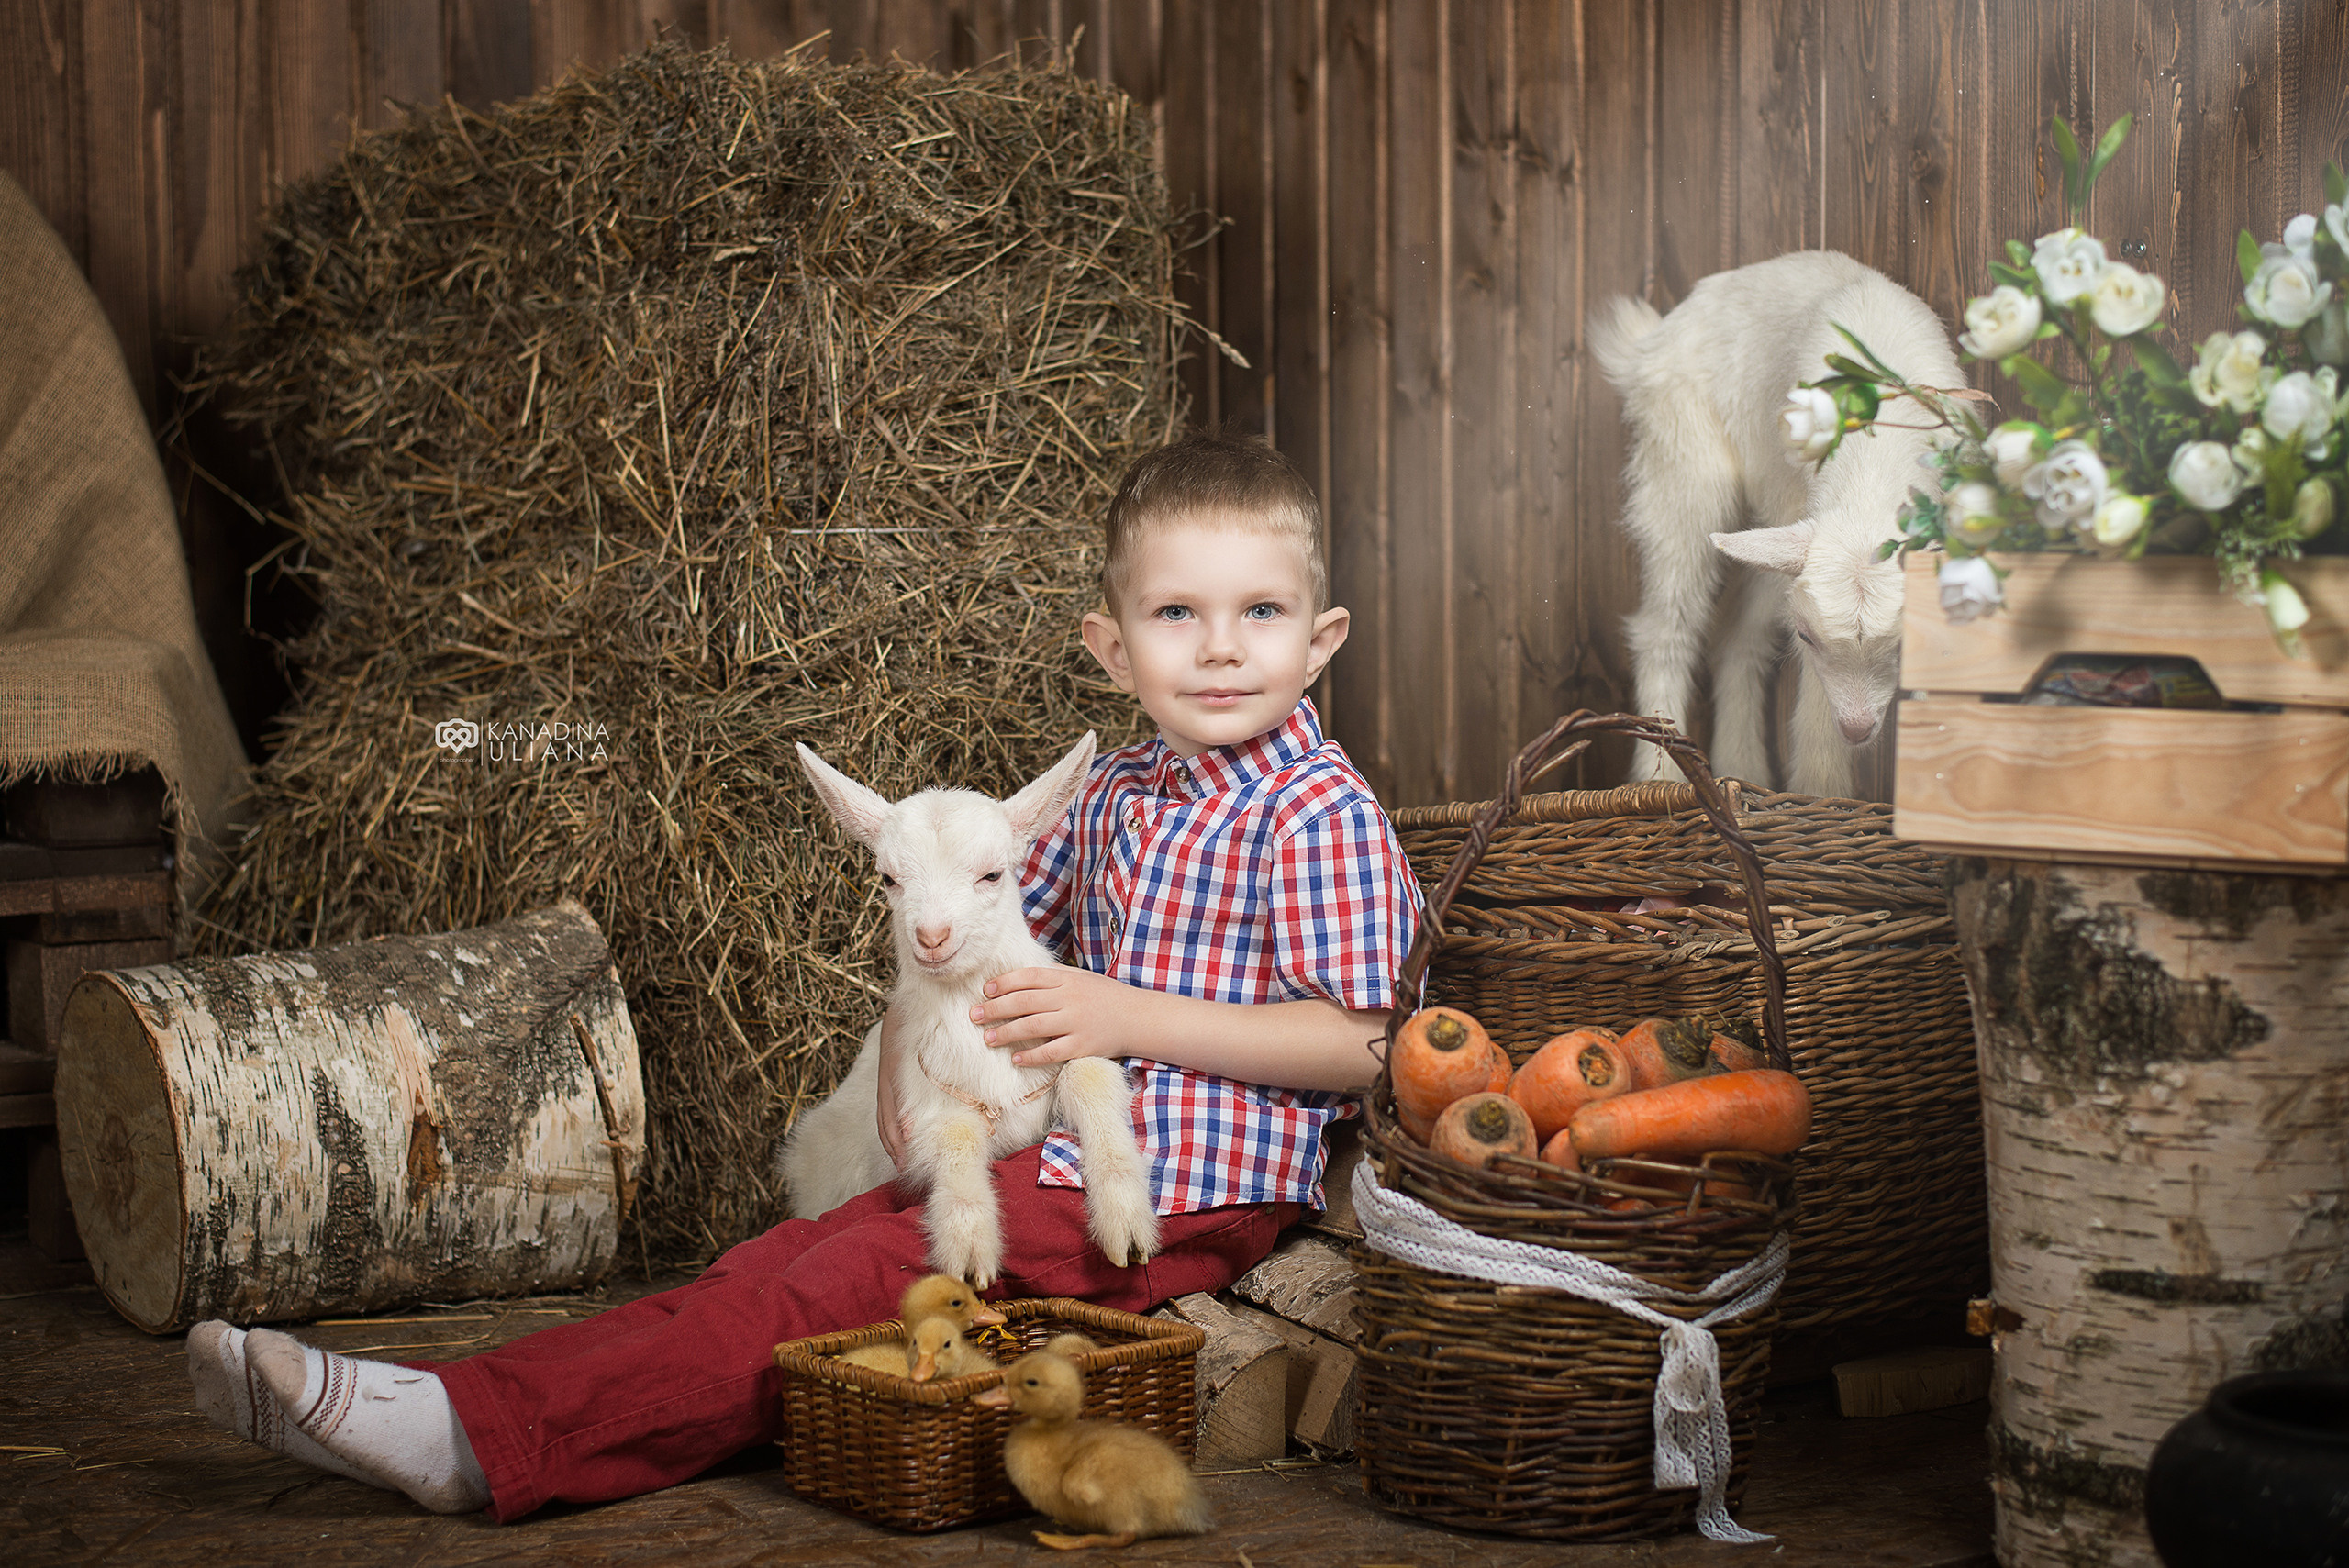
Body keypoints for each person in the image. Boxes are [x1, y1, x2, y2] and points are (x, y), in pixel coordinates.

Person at [184, 428, 1420, 1521]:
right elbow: (968, 958)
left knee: (833, 1292)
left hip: (1178, 1184)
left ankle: (474, 1437)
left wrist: (1122, 1012)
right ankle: (470, 1402)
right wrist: (900, 1064)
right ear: (1109, 643)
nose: (1219, 649)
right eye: (1176, 615)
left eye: (1260, 613)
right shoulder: (1111, 792)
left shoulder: (1315, 813)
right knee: (774, 1260)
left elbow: (1367, 1040)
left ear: (1320, 642)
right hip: (1026, 1152)